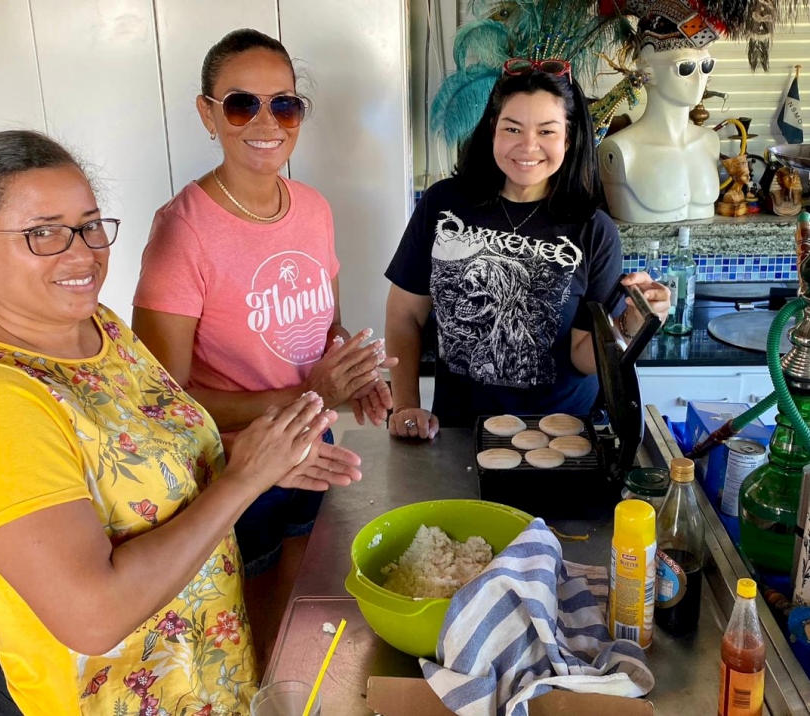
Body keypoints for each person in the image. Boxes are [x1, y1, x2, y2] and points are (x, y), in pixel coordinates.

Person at [0, 129, 362, 715]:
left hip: (198, 682)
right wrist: (242, 480)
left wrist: (253, 455)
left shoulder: (102, 328)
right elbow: (92, 616)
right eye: (41, 233)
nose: (81, 252)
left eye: (89, 225)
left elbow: (138, 463)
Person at [131, 29, 394, 664]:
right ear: (208, 113)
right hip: (237, 471)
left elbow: (324, 323)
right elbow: (162, 406)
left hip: (317, 448)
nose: (267, 122)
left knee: (305, 623)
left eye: (285, 104)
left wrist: (352, 373)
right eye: (242, 104)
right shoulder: (182, 232)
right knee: (247, 643)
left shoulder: (312, 209)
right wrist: (311, 391)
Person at [385, 65, 671, 439]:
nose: (528, 146)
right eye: (512, 128)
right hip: (458, 433)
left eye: (547, 131)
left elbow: (584, 357)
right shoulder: (445, 204)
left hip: (560, 440)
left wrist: (632, 325)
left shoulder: (594, 230)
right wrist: (405, 404)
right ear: (493, 131)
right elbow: (405, 313)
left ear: (568, 139)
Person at [598, 45, 720, 223]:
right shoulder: (622, 149)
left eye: (706, 65)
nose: (700, 77)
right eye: (685, 68)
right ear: (649, 73)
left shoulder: (710, 141)